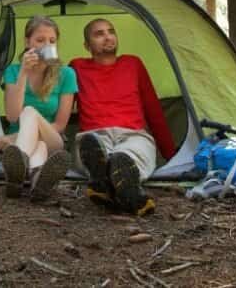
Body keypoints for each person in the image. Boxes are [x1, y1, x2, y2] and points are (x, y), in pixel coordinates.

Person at [69, 18, 177, 216]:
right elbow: (60, 105)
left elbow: (153, 110)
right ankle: (125, 189)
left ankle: (107, 183)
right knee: (93, 149)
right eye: (99, 34)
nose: (107, 37)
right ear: (87, 45)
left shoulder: (132, 64)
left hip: (133, 135)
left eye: (111, 31)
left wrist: (172, 156)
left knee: (127, 156)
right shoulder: (76, 67)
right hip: (94, 136)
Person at [0, 15, 77, 201]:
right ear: (27, 42)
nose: (47, 45)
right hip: (24, 142)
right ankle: (37, 180)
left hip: (52, 138)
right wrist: (24, 71)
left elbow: (60, 125)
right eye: (40, 40)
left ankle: (19, 165)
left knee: (30, 112)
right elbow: (12, 116)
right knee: (38, 146)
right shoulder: (13, 71)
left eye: (52, 41)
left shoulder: (66, 74)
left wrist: (13, 137)